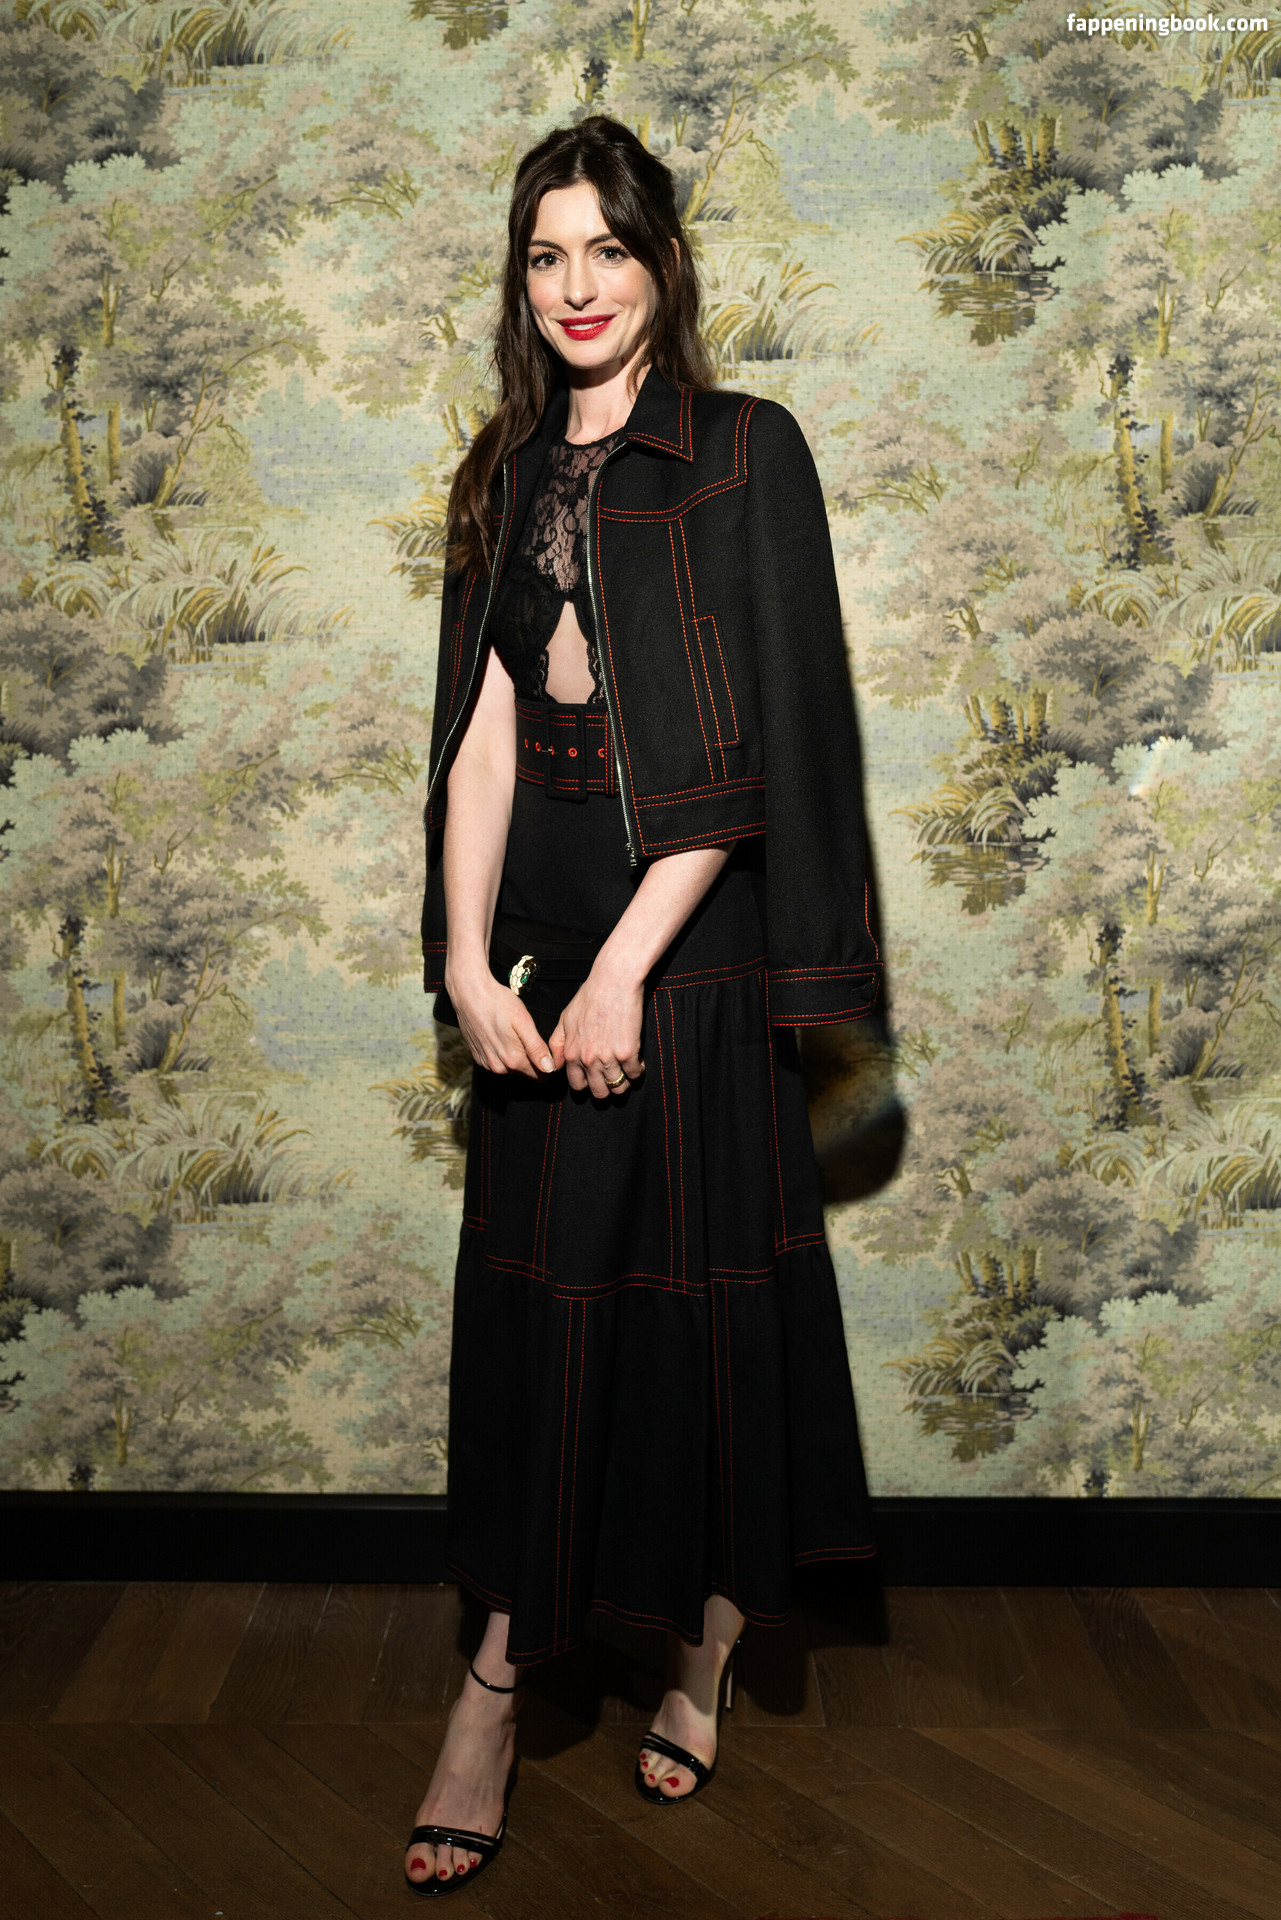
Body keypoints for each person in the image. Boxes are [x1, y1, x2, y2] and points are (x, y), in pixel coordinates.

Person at [406, 114, 881, 1898]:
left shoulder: (747, 450)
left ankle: (701, 1646)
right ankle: (494, 1689)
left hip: (694, 945)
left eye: (606, 247)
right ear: (519, 282)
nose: (576, 286)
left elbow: (765, 741)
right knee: (548, 1320)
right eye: (545, 255)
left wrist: (627, 967)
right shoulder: (505, 469)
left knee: (694, 1306)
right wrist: (469, 961)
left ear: (662, 264)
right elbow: (481, 739)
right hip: (542, 934)